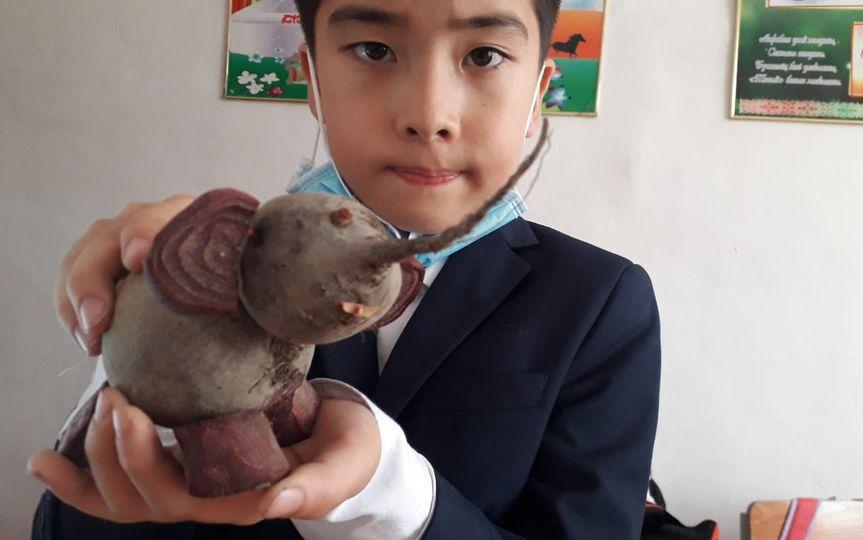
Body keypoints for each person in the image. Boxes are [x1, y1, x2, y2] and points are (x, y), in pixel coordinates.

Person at [29, 0, 661, 538]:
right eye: (373, 50)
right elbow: (65, 522)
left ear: (538, 93)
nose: (429, 116)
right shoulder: (220, 274)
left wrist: (389, 494)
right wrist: (140, 355)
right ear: (313, 80)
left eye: (485, 55)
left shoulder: (600, 302)